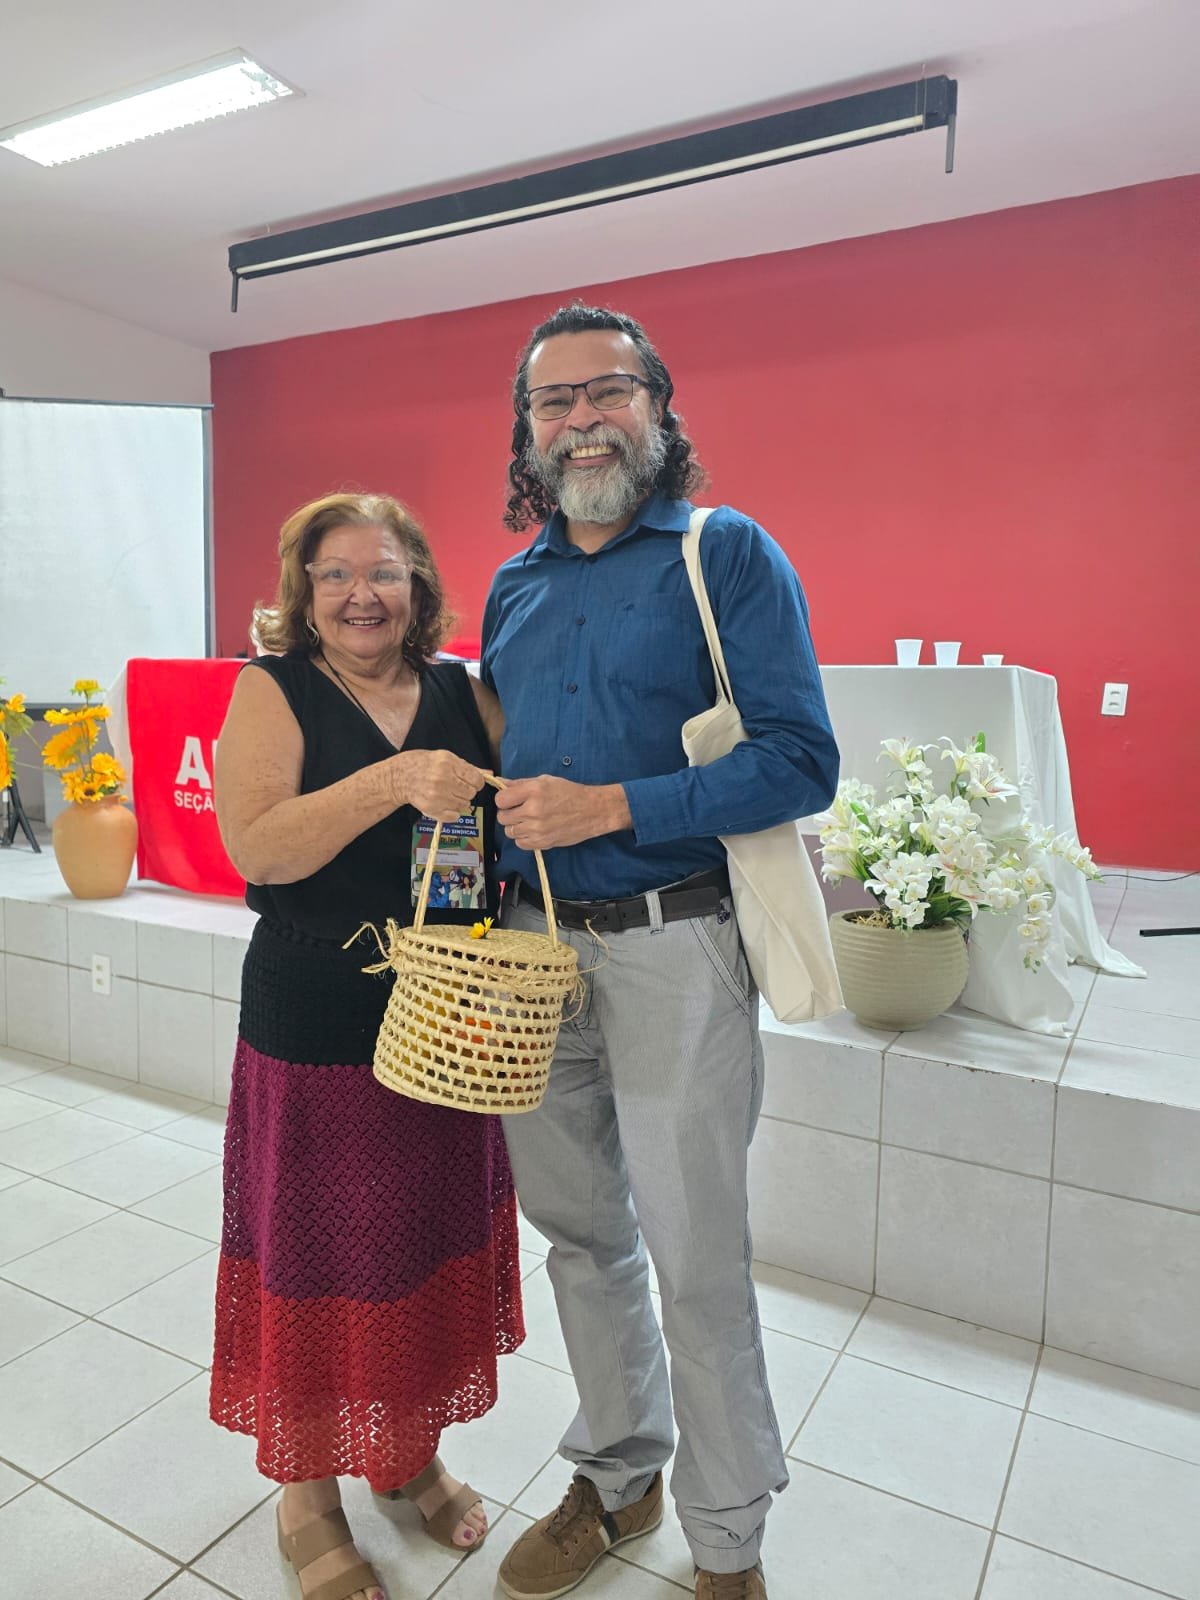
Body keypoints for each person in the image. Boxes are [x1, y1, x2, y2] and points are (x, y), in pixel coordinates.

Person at [480, 305, 839, 1600]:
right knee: (580, 1236)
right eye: (554, 401)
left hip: (674, 946)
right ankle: (619, 1475)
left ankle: (728, 1540)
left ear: (658, 406)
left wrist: (616, 807)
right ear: (527, 432)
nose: (581, 419)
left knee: (696, 1258)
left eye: (607, 391)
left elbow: (801, 759)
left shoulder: (723, 553)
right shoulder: (513, 587)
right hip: (534, 955)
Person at [211, 492, 522, 1600]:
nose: (360, 594)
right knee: (316, 1258)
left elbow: (522, 806)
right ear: (302, 591)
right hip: (315, 1019)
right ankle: (306, 1495)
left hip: (447, 1021)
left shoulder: (461, 691)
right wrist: (393, 778)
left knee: (415, 1249)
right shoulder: (275, 688)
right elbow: (257, 845)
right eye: (335, 573)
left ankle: (405, 1452)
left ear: (416, 583)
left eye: (383, 571)